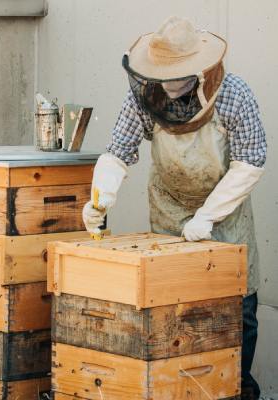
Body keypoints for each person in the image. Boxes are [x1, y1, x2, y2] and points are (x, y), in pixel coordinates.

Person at [82, 16, 266, 399]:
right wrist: (101, 196)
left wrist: (208, 216)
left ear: (199, 71)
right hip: (168, 210)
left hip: (224, 216)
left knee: (238, 308)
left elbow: (250, 163)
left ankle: (237, 387)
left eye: (176, 75)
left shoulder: (234, 94)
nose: (167, 85)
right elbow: (119, 150)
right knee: (173, 308)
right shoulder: (143, 97)